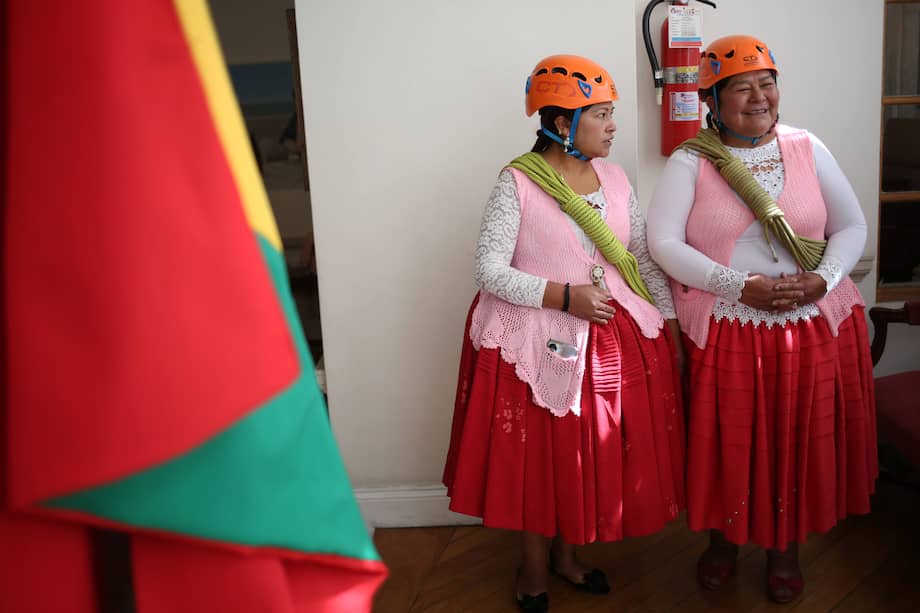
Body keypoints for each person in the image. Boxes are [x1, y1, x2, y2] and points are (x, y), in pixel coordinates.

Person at [442, 54, 686, 612]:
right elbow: (490, 269)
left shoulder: (619, 180)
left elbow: (642, 262)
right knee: (539, 458)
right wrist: (564, 297)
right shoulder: (518, 183)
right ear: (560, 125)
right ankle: (532, 566)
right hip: (534, 340)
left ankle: (568, 557)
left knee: (580, 456)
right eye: (600, 115)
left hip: (611, 340)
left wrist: (669, 327)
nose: (613, 126)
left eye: (610, 114)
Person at [646, 35, 877, 604]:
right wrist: (737, 285)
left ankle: (785, 551)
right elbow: (663, 243)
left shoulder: (807, 146)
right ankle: (722, 543)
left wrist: (823, 278)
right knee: (729, 441)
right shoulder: (690, 161)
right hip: (730, 326)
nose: (759, 97)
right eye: (741, 87)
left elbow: (851, 225)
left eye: (767, 83)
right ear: (713, 100)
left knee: (794, 441)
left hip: (811, 325)